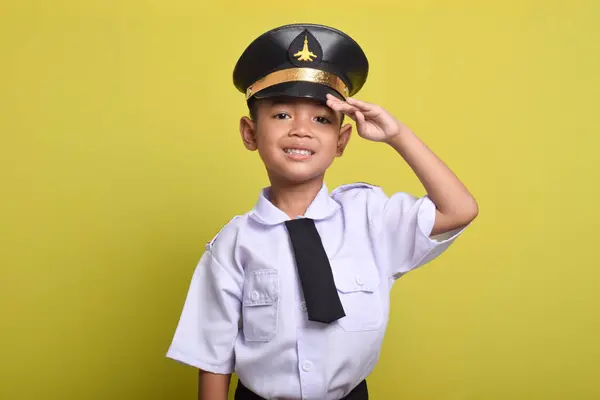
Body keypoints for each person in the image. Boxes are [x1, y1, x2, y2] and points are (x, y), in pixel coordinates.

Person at [166, 23, 478, 400]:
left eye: (321, 119)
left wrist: (397, 135)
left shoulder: (370, 219)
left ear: (342, 140)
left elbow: (459, 209)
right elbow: (213, 358)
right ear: (250, 133)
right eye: (281, 115)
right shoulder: (234, 244)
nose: (301, 130)